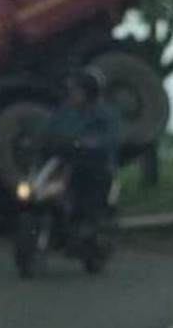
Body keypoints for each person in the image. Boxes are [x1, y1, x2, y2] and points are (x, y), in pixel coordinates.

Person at [39, 66, 122, 223]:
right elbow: (51, 131)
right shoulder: (65, 112)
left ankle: (90, 224)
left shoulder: (107, 114)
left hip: (95, 166)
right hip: (66, 161)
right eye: (74, 89)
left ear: (90, 92)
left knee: (88, 199)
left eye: (78, 90)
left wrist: (92, 143)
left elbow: (112, 139)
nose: (73, 93)